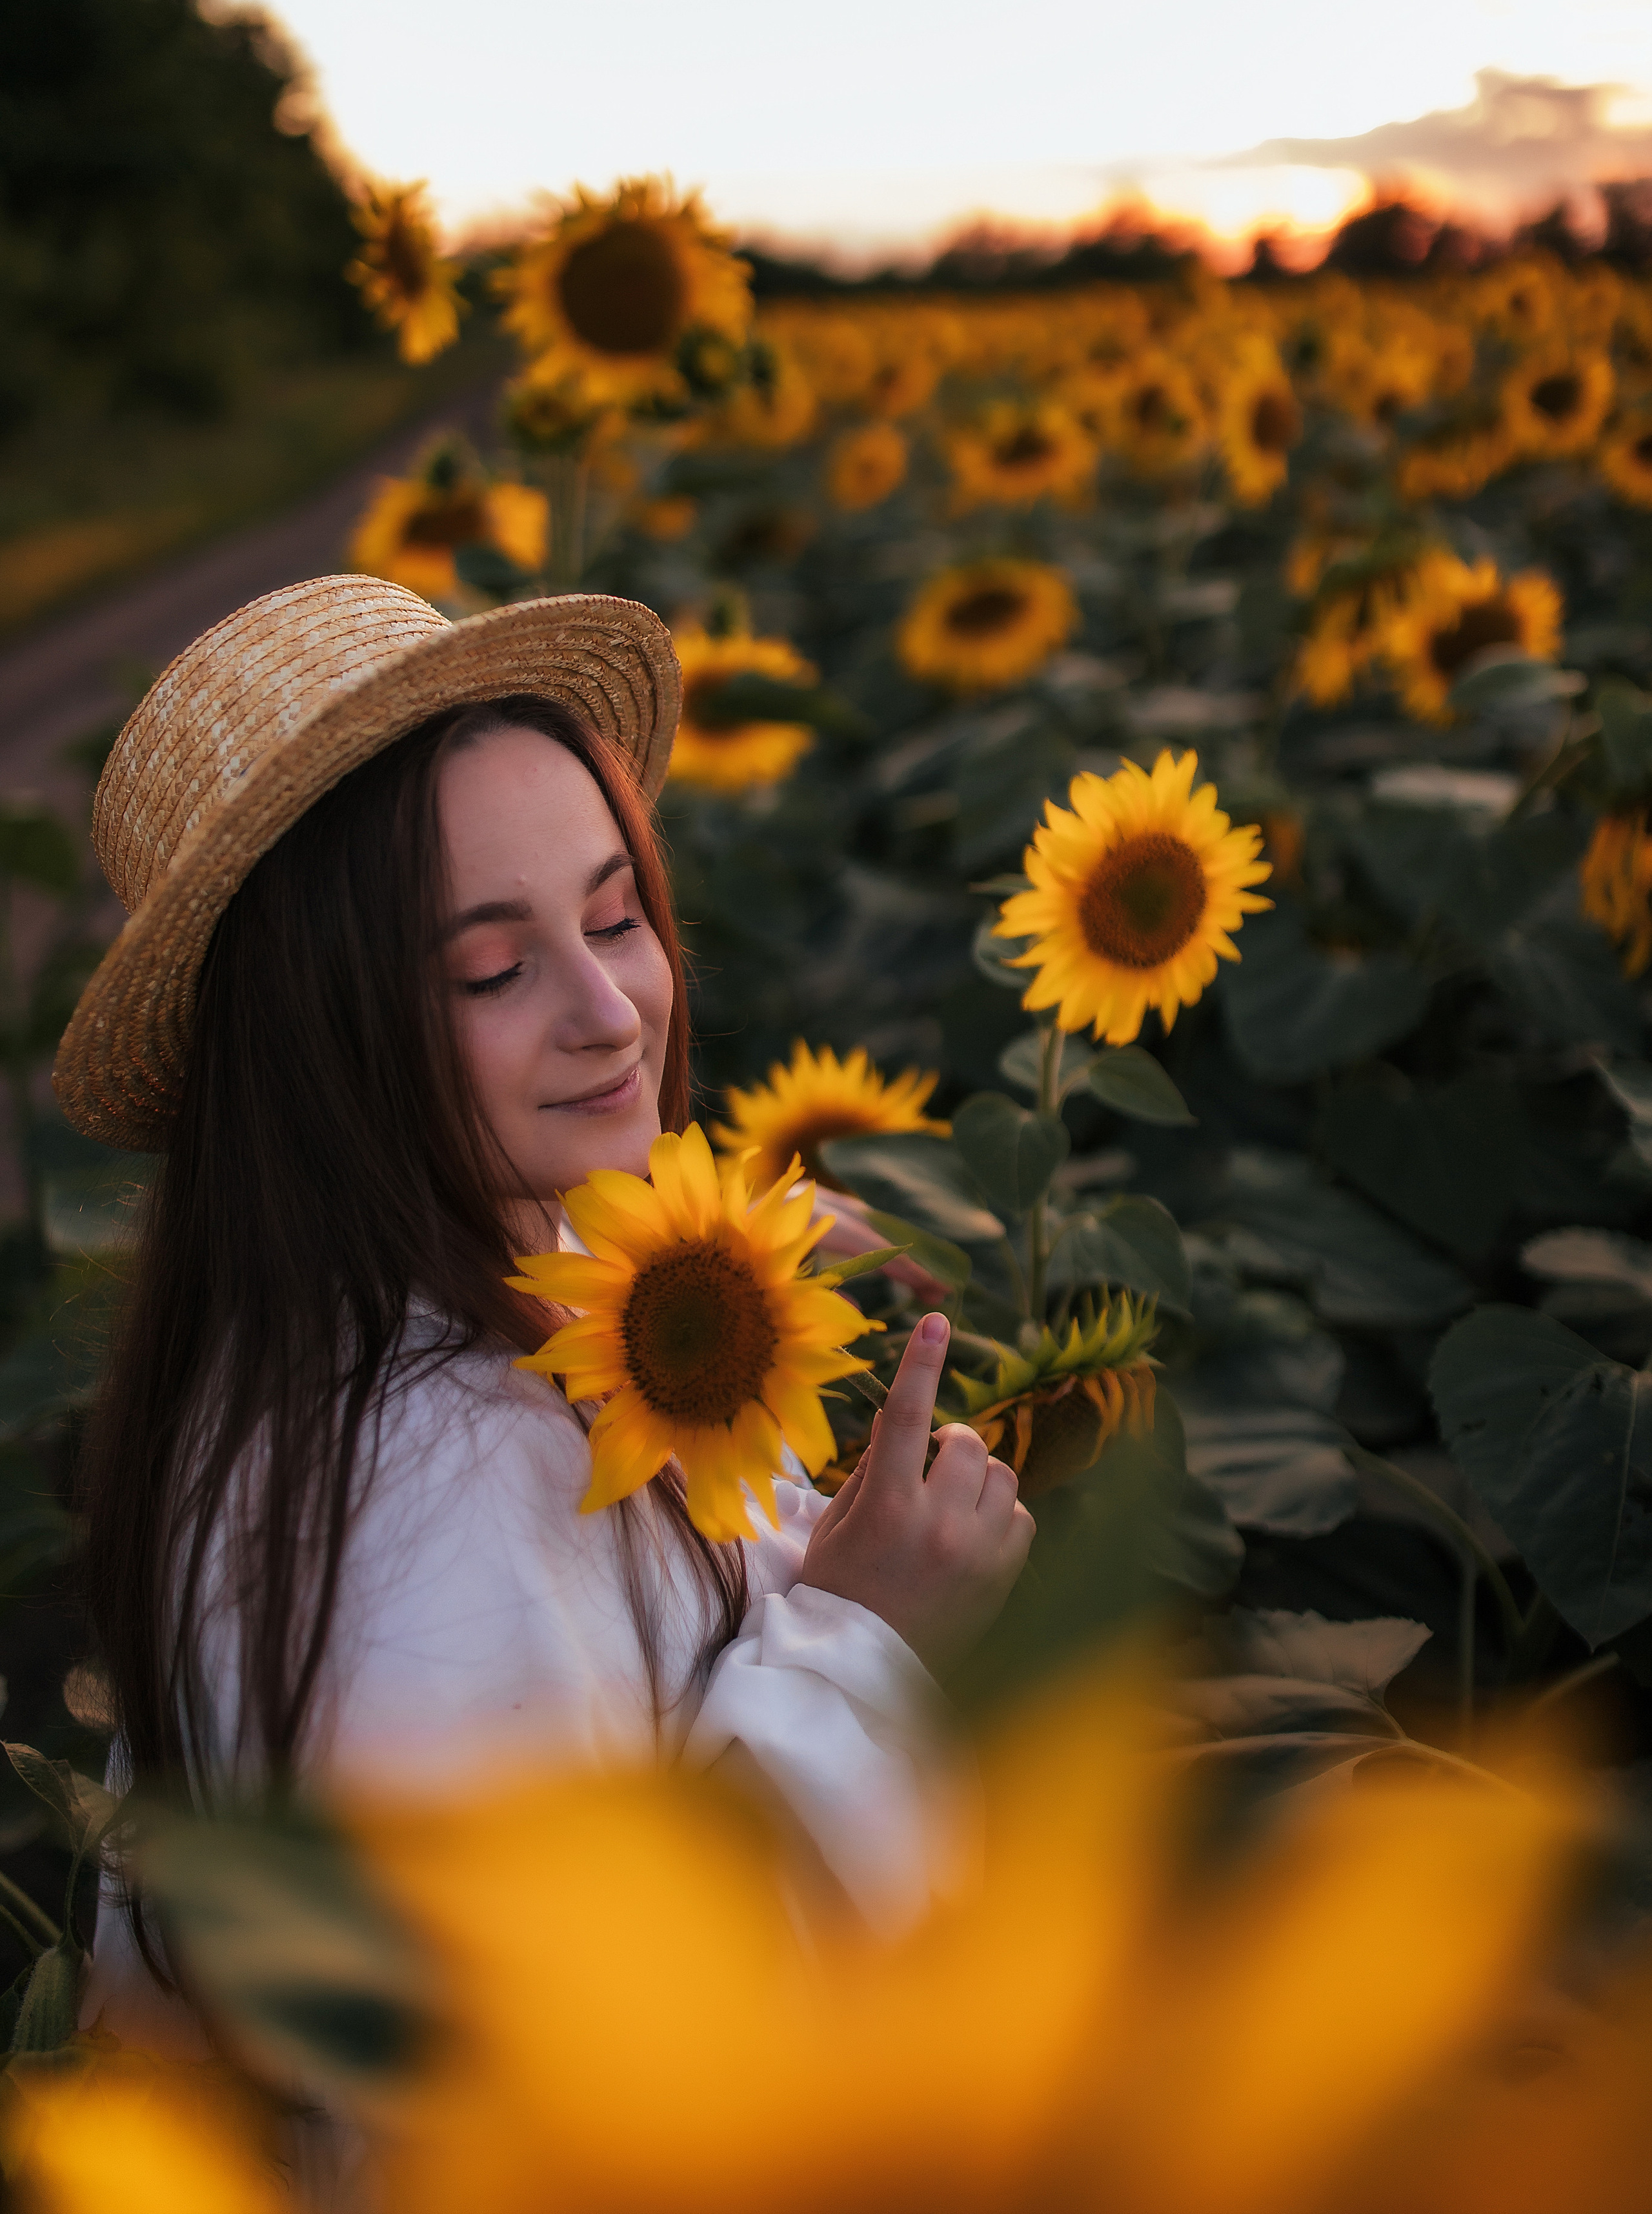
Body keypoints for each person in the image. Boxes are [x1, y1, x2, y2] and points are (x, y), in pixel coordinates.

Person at [59, 576, 1035, 2060]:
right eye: (494, 969)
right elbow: (559, 2055)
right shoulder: (423, 1492)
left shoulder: (434, 1310)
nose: (613, 1010)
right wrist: (868, 1647)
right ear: (315, 1043)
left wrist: (724, 1250)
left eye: (615, 915)